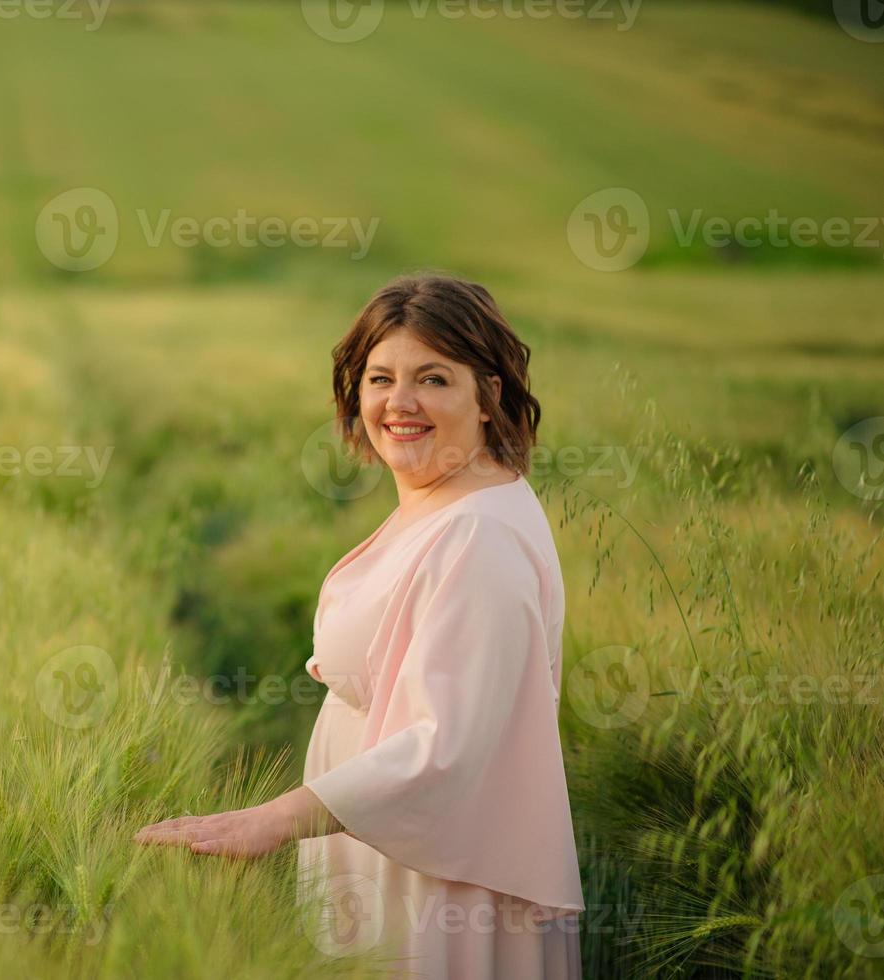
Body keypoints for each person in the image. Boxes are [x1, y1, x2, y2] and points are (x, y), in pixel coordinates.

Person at [133, 273, 585, 978]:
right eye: (380, 378)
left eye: (433, 379)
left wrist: (269, 820)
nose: (399, 404)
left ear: (488, 395)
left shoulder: (476, 539)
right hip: (396, 854)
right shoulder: (450, 500)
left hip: (441, 884)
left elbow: (448, 746)